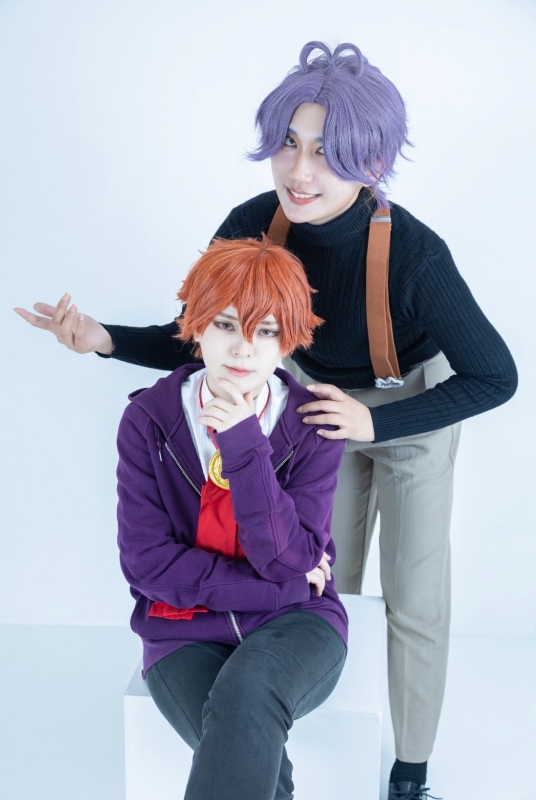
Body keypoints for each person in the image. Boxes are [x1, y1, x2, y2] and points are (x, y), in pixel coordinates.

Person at [14, 41, 517, 799]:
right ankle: (281, 740)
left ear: (373, 161)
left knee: (414, 594)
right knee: (321, 577)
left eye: (327, 152)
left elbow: (496, 375)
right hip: (312, 404)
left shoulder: (415, 255)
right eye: (289, 143)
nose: (300, 171)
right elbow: (203, 333)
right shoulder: (255, 223)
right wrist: (104, 339)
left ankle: (410, 772)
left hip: (410, 402)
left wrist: (376, 424)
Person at [116, 234, 348, 800]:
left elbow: (289, 556)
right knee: (262, 769)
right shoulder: (149, 420)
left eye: (266, 331)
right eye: (225, 324)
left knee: (251, 690)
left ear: (288, 340)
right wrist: (282, 588)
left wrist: (244, 443)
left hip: (299, 621)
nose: (244, 349)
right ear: (196, 325)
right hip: (182, 627)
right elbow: (149, 566)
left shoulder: (314, 424)